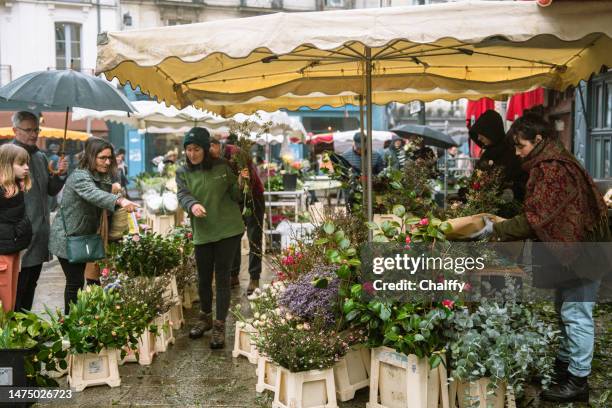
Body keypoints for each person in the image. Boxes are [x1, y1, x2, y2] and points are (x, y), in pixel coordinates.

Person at [473, 113, 610, 403]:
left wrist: (496, 229)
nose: (517, 152)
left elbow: (537, 218)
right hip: (576, 250)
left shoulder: (553, 168)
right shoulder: (553, 160)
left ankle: (578, 380)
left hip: (583, 251)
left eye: (520, 146)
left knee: (577, 314)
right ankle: (564, 366)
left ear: (538, 140)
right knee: (566, 309)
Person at [49, 137, 139, 314]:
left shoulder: (101, 175)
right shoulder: (79, 176)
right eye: (102, 158)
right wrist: (119, 200)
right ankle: (71, 325)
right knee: (75, 282)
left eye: (109, 158)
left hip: (83, 236)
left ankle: (81, 322)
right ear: (91, 156)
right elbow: (93, 194)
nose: (107, 162)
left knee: (82, 282)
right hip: (67, 237)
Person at [176, 127, 246, 348]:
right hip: (203, 231)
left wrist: (242, 182)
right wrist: (193, 204)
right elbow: (182, 194)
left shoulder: (223, 166)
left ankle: (219, 325)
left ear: (205, 149)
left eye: (196, 149)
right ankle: (204, 317)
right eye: (188, 149)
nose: (192, 153)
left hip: (228, 229)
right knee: (203, 278)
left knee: (223, 278)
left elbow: (235, 195)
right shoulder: (182, 171)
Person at [12, 111, 68, 313]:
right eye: (28, 130)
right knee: (17, 286)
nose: (33, 134)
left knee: (31, 283)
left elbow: (50, 191)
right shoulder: (8, 156)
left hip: (41, 231)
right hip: (19, 234)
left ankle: (25, 329)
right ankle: (13, 332)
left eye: (36, 129)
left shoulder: (40, 157)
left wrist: (60, 175)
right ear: (15, 130)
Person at [210, 138, 265, 296]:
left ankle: (254, 278)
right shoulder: (213, 159)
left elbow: (247, 180)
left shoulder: (235, 153)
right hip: (234, 199)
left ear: (215, 145)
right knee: (232, 236)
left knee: (254, 236)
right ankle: (233, 276)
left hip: (252, 196)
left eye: (209, 151)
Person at [0, 144, 33, 311]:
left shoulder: (15, 187)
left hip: (13, 247)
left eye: (27, 163)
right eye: (21, 163)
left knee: (10, 301)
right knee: (4, 302)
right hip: (3, 251)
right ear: (7, 164)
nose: (26, 167)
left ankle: (8, 335)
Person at [469, 109, 527, 201]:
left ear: (491, 132)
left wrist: (509, 193)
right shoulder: (488, 153)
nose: (479, 138)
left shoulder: (511, 153)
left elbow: (519, 183)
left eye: (481, 133)